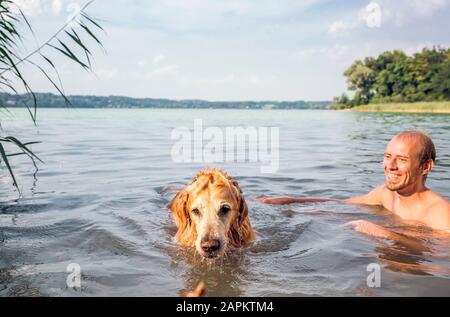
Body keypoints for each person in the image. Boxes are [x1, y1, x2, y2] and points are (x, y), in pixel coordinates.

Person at [259, 130, 450, 235]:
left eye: (401, 159)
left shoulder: (439, 212)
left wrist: (385, 234)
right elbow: (341, 205)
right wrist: (290, 201)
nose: (390, 166)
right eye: (387, 157)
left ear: (425, 167)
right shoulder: (386, 194)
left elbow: (442, 258)